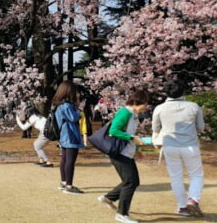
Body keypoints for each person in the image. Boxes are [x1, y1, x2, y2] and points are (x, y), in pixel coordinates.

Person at [152, 82, 205, 218]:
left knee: (176, 177)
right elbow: (201, 127)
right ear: (183, 92)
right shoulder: (194, 106)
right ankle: (193, 198)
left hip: (170, 146)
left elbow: (155, 129)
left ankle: (182, 207)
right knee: (196, 175)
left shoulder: (160, 108)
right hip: (190, 145)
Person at [97, 90, 150, 223]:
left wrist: (136, 149)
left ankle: (108, 198)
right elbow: (114, 130)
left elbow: (129, 134)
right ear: (137, 102)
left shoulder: (133, 115)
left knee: (132, 181)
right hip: (120, 153)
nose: (146, 107)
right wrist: (132, 138)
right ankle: (122, 213)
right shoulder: (124, 112)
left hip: (126, 152)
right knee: (131, 182)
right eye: (145, 104)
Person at [53, 80, 85, 194]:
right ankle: (69, 186)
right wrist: (80, 110)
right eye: (75, 91)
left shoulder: (60, 105)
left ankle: (63, 182)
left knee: (65, 159)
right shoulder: (67, 105)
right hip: (70, 135)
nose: (77, 94)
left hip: (64, 135)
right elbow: (74, 118)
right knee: (70, 161)